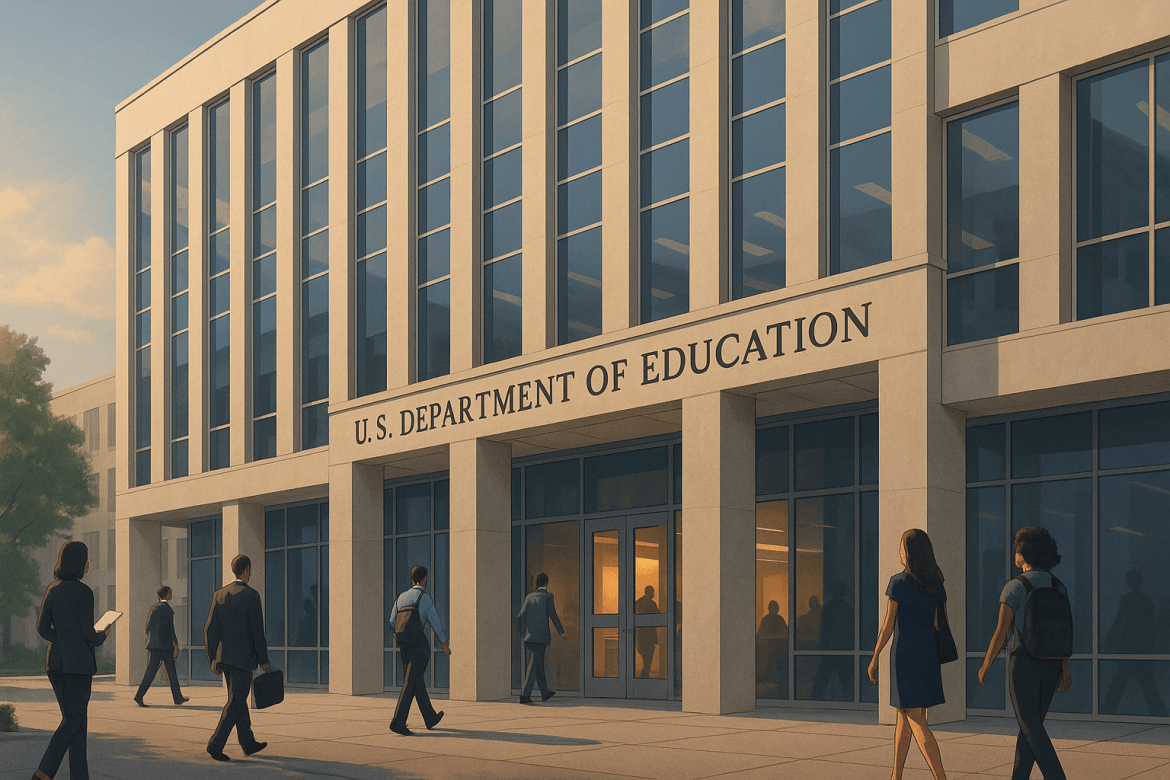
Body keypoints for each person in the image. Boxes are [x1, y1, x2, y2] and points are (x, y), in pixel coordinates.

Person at [979, 527, 1071, 780]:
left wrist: (986, 664)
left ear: (1025, 553)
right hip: (1051, 666)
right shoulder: (1058, 586)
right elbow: (1062, 633)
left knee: (1030, 727)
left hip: (1024, 664)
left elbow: (1000, 632)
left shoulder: (1015, 587)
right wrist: (1065, 670)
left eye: (1017, 549)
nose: (1015, 554)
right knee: (1030, 727)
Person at [868, 529, 949, 780]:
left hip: (904, 654)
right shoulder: (936, 583)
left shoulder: (899, 582)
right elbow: (939, 623)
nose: (899, 551)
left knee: (915, 719)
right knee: (904, 716)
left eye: (902, 546)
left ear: (911, 552)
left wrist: (875, 656)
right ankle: (896, 775)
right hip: (927, 652)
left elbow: (888, 623)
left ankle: (941, 778)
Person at [31, 541, 110, 780]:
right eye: (86, 560)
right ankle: (43, 773)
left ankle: (79, 775)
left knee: (77, 721)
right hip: (79, 666)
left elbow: (42, 627)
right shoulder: (84, 592)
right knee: (73, 720)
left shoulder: (52, 589)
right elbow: (89, 635)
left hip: (55, 664)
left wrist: (63, 639)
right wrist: (103, 634)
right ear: (81, 564)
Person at [203, 554, 271, 762]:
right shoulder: (252, 595)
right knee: (235, 702)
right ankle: (215, 744)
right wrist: (263, 658)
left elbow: (209, 629)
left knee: (238, 700)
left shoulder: (220, 594)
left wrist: (212, 657)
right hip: (243, 659)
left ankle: (248, 743)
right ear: (247, 569)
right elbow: (257, 631)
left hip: (225, 658)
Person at [389, 565, 451, 735]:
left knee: (415, 681)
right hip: (418, 645)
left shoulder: (401, 597)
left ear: (412, 579)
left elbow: (392, 621)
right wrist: (444, 644)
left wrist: (400, 639)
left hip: (404, 646)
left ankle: (430, 717)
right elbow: (435, 622)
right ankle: (398, 722)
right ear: (424, 579)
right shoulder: (424, 598)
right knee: (411, 682)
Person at [1101, 570, 1167, 716]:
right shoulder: (1145, 601)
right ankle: (1159, 712)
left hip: (1131, 647)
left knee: (1121, 682)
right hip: (1140, 647)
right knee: (1145, 682)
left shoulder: (1129, 600)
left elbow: (1119, 623)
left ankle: (1107, 710)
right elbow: (1150, 626)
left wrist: (1110, 641)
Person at [134, 585, 188, 707]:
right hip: (165, 646)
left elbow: (148, 627)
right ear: (167, 594)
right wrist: (175, 644)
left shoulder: (154, 608)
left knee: (151, 671)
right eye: (170, 592)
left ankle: (139, 695)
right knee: (171, 672)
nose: (171, 595)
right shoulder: (167, 609)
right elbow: (171, 629)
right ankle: (177, 697)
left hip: (154, 645)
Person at [517, 572, 566, 704]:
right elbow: (553, 615)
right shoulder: (548, 597)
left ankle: (545, 692)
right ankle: (524, 695)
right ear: (546, 583)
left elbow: (520, 615)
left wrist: (523, 633)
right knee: (534, 665)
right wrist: (561, 632)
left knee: (538, 664)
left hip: (529, 637)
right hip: (541, 637)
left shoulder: (529, 597)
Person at [755, 600, 789, 696]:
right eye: (772, 607)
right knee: (771, 661)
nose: (774, 609)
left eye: (775, 607)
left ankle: (777, 677)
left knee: (778, 662)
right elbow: (762, 633)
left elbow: (784, 633)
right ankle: (770, 677)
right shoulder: (766, 619)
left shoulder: (780, 619)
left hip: (779, 646)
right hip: (769, 646)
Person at [634, 585, 660, 678]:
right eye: (651, 592)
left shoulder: (638, 603)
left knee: (646, 655)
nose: (653, 594)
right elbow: (657, 616)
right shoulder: (651, 604)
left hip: (642, 635)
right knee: (648, 655)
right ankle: (645, 674)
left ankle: (645, 673)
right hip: (647, 635)